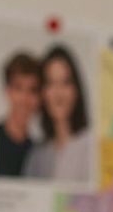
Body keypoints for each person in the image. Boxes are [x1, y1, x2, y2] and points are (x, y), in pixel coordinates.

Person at [23, 44, 91, 182]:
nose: (58, 93)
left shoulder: (91, 148)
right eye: (51, 83)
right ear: (43, 92)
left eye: (65, 82)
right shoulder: (37, 156)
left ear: (76, 90)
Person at [0, 52, 41, 177]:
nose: (25, 99)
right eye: (18, 88)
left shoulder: (38, 153)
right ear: (7, 92)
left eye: (32, 90)